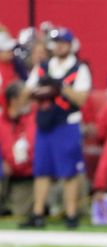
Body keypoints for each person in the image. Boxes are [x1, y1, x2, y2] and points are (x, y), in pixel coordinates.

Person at [20, 28, 90, 229]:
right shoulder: (42, 67)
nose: (59, 46)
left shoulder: (78, 68)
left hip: (67, 123)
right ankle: (38, 213)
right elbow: (26, 93)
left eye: (63, 42)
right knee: (41, 170)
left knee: (69, 172)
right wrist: (40, 91)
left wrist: (61, 87)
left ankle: (71, 214)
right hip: (45, 124)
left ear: (70, 45)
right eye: (56, 42)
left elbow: (81, 99)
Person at [0, 81, 35, 218]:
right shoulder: (1, 121)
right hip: (6, 173)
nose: (30, 102)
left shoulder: (34, 118)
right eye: (26, 98)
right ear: (13, 100)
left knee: (20, 213)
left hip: (28, 174)